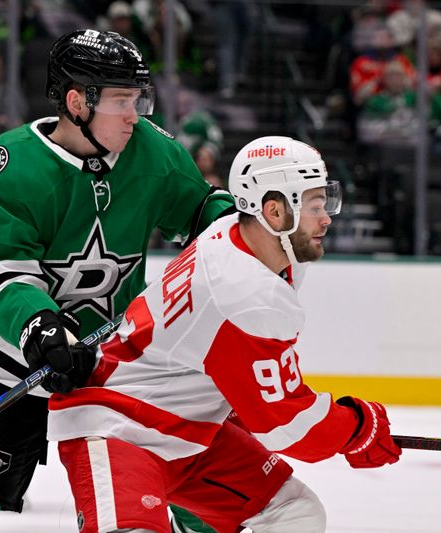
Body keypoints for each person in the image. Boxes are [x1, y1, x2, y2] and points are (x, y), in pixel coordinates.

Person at [0, 29, 235, 532]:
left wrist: (244, 229)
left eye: (138, 98)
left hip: (122, 368)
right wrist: (42, 329)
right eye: (123, 100)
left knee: (204, 505)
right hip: (18, 362)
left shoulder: (155, 152)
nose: (135, 114)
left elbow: (200, 215)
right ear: (76, 101)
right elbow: (3, 273)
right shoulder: (9, 165)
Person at [46, 136, 401, 533]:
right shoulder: (247, 292)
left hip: (192, 432)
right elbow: (285, 424)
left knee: (296, 513)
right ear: (274, 211)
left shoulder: (241, 234)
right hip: (120, 430)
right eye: (314, 206)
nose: (327, 218)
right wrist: (356, 428)